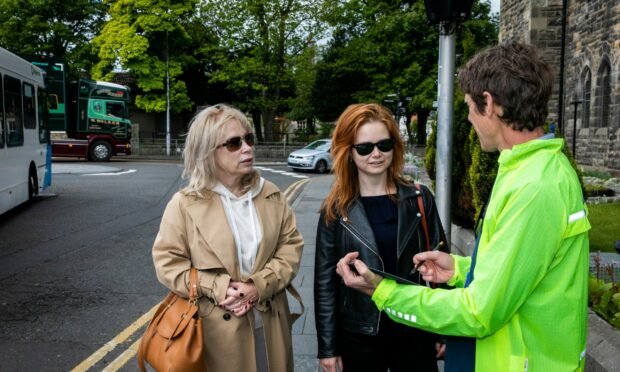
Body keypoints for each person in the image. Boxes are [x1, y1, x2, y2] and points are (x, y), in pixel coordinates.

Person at [336, 41, 591, 371]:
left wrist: (382, 291)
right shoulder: (529, 169)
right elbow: (518, 269)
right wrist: (460, 270)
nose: (468, 118)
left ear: (488, 103)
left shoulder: (534, 186)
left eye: (469, 106)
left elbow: (478, 312)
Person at [152, 104, 303, 372]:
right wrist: (217, 286)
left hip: (268, 322)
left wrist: (259, 285)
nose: (247, 148)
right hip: (214, 331)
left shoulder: (271, 195)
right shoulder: (185, 204)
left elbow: (290, 249)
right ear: (208, 151)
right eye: (234, 143)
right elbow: (168, 263)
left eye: (249, 139)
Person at [314, 103, 449, 372]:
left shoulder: (420, 199)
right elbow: (325, 284)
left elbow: (442, 266)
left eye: (384, 145)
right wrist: (328, 348)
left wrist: (444, 329)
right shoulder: (336, 210)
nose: (376, 154)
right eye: (365, 147)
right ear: (349, 153)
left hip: (415, 327)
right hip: (360, 335)